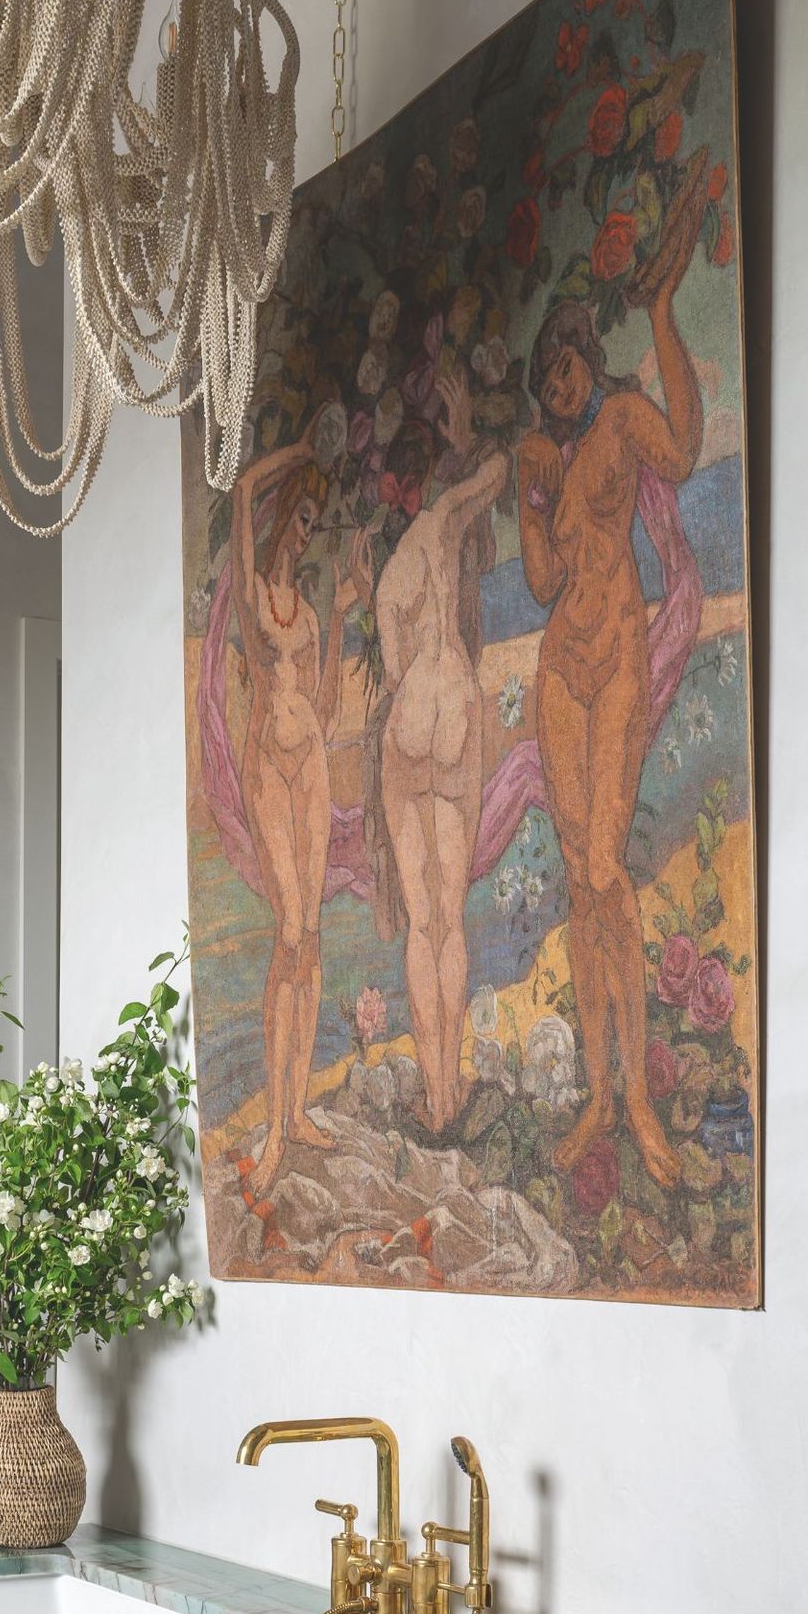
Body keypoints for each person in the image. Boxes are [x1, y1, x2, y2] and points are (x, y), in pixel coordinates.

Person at [516, 155, 712, 1188]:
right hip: (562, 670)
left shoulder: (625, 417)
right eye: (546, 381)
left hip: (620, 661)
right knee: (580, 884)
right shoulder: (552, 461)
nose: (559, 386)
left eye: (564, 368)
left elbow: (684, 449)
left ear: (585, 356)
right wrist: (528, 497)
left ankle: (636, 1100)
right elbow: (543, 582)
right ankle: (602, 1092)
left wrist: (664, 314)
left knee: (604, 874)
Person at [369, 370, 512, 1134]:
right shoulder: (444, 522)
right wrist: (468, 438)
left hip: (406, 731)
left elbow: (394, 674)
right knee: (450, 921)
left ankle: (430, 1094)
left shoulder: (389, 578)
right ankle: (451, 1088)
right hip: (452, 711)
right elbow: (497, 473)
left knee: (420, 923)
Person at [230, 430, 370, 1192]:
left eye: (316, 523)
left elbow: (325, 706)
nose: (306, 533)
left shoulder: (310, 619)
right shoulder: (253, 594)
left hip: (310, 762)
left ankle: (299, 1110)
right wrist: (302, 451)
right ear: (286, 511)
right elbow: (241, 490)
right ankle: (277, 1128)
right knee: (287, 930)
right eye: (303, 517)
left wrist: (342, 612)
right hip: (268, 770)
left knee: (310, 935)